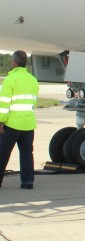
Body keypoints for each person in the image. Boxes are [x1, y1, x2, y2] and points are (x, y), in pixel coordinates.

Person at [0, 51, 39, 189]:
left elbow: (4, 103)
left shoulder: (10, 79)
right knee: (27, 154)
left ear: (14, 62)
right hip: (28, 124)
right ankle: (28, 182)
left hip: (12, 124)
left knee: (3, 153)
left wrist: (1, 122)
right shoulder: (33, 79)